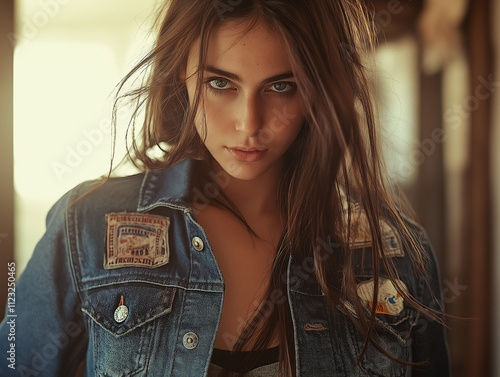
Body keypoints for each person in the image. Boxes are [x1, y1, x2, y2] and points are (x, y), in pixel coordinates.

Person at [0, 0, 450, 376]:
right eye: (220, 83)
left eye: (281, 86)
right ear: (182, 73)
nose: (249, 124)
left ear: (317, 91)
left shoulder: (395, 256)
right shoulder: (88, 224)